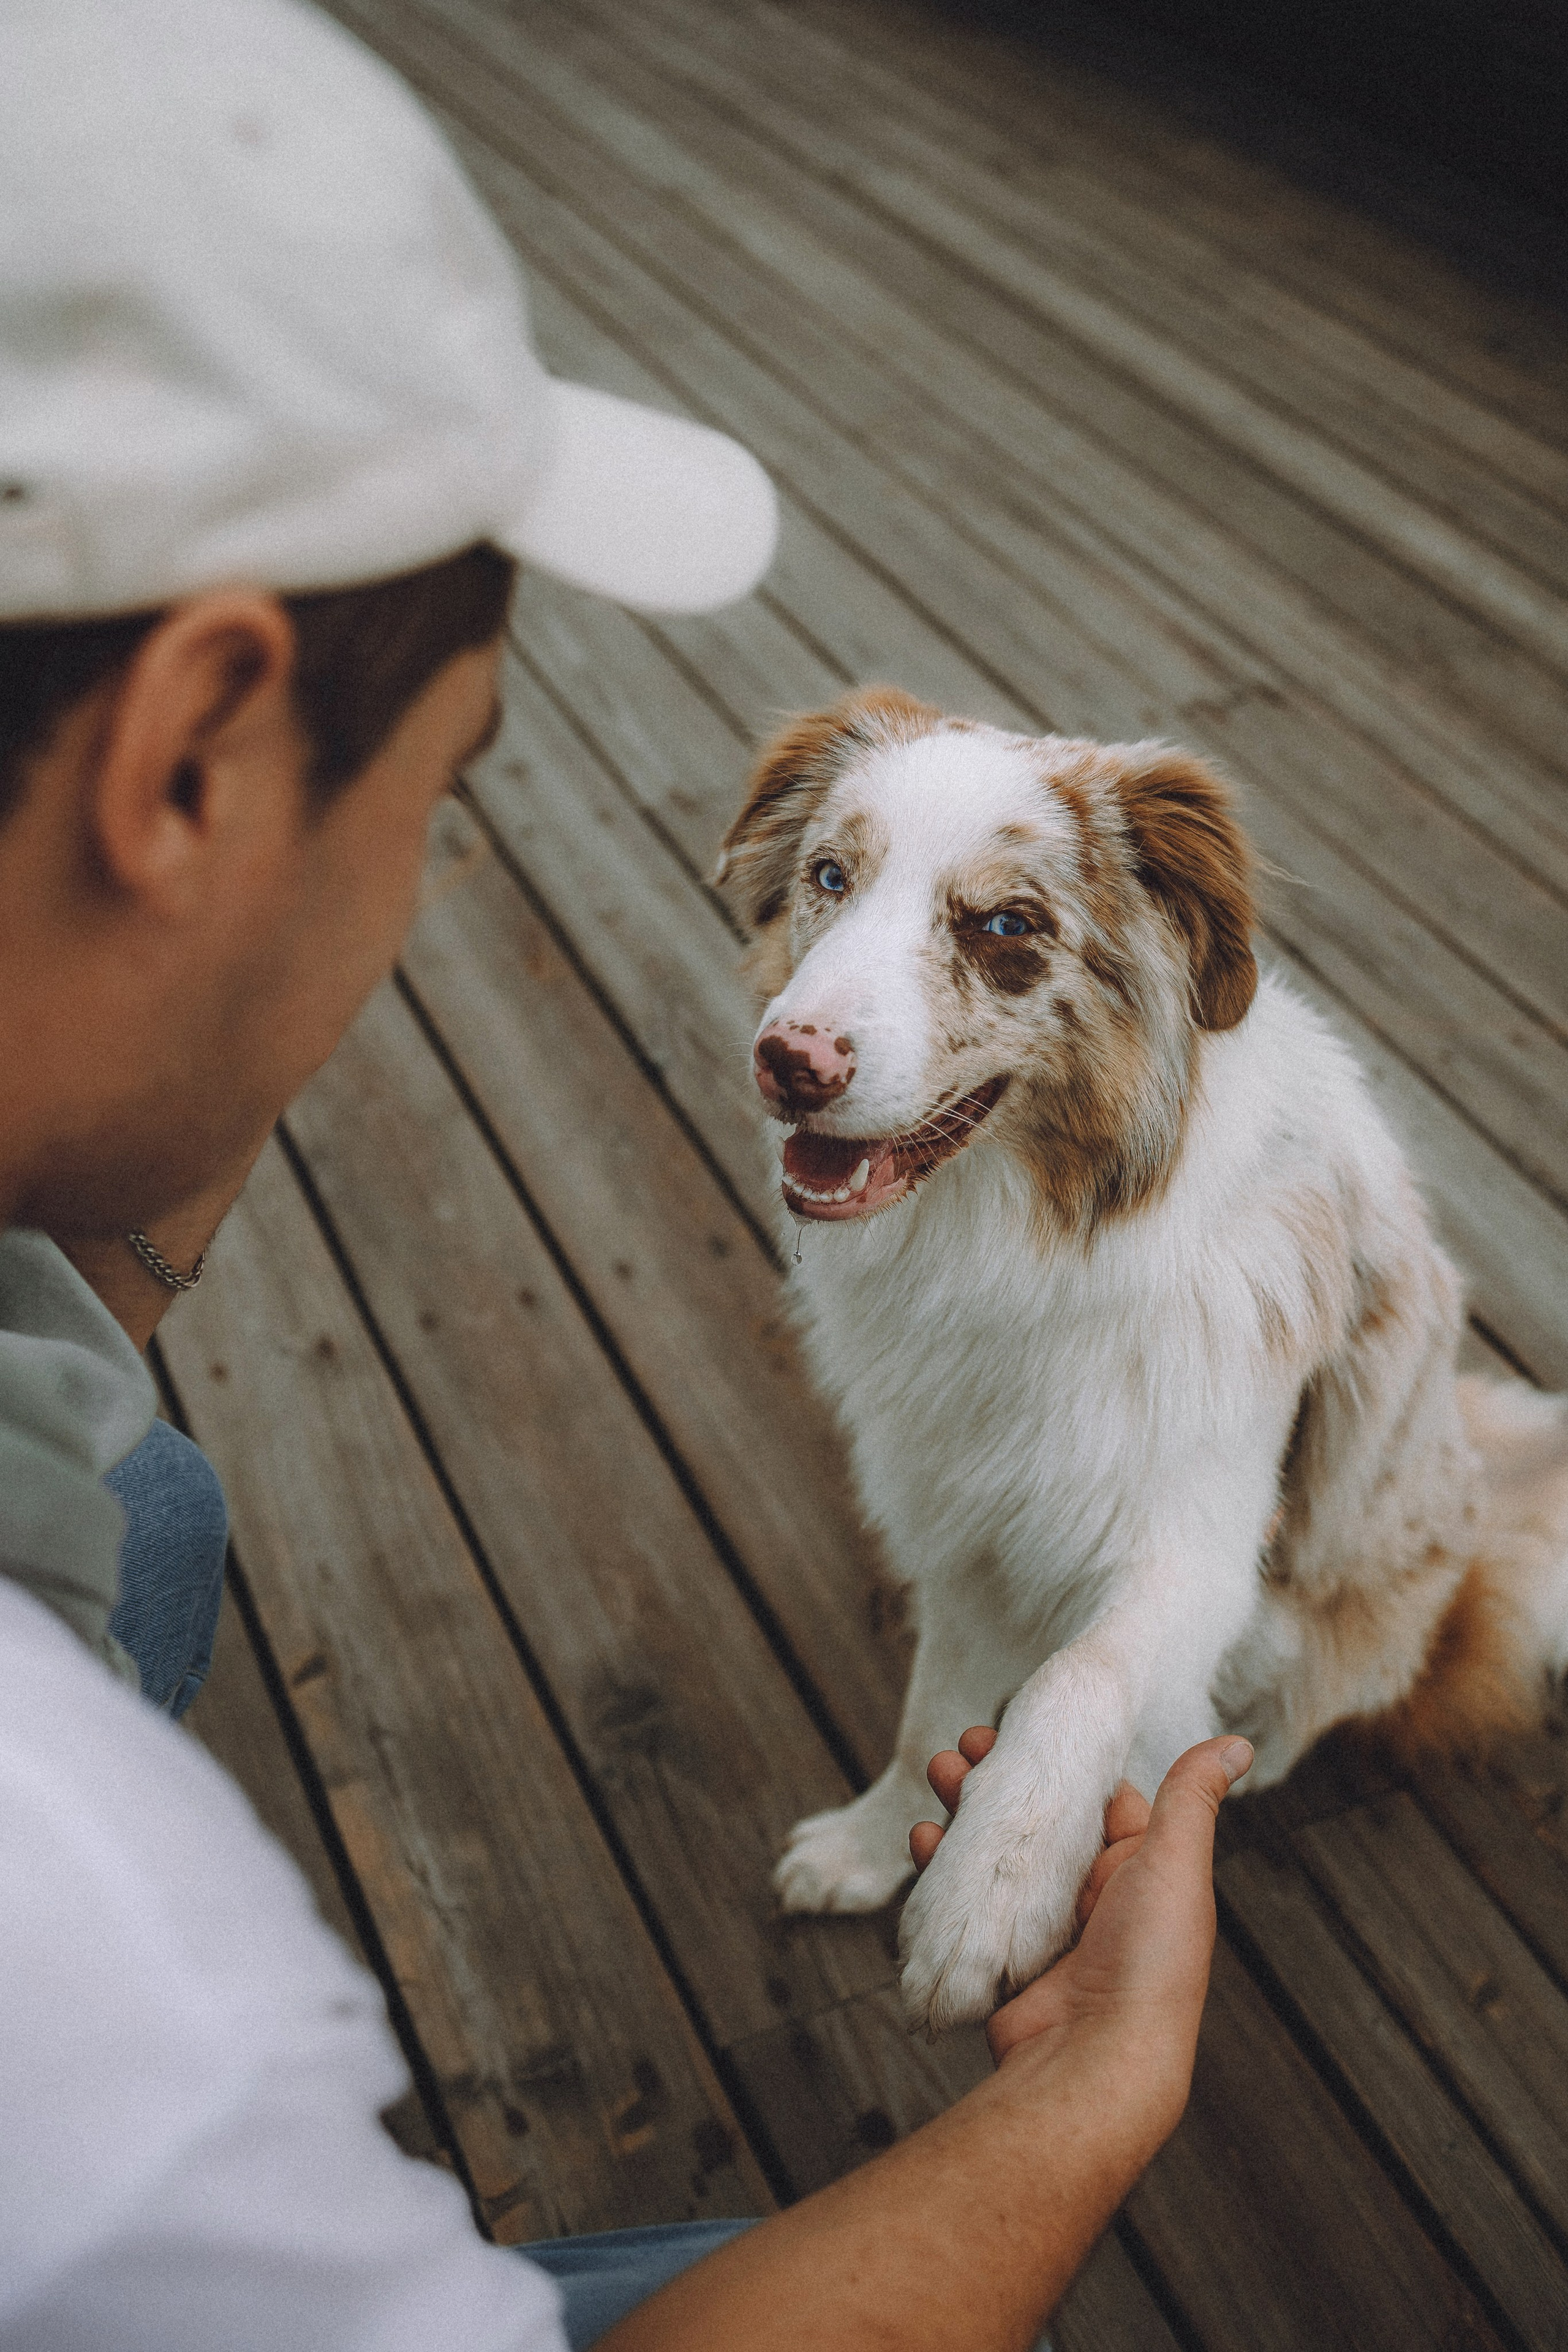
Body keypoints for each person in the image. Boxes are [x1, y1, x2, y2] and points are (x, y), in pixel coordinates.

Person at [0, 1, 1252, 2345]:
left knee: (135, 1500)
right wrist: (1081, 2103)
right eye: (451, 783)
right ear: (183, 764)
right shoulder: (88, 1964)